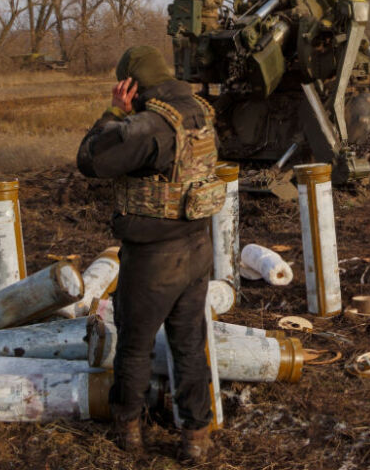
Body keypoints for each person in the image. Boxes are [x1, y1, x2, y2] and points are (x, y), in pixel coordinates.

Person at [76, 45, 225, 461]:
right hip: (198, 244)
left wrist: (114, 113)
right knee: (189, 342)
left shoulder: (147, 124)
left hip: (154, 255)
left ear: (132, 84)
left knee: (135, 345)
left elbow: (91, 161)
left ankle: (129, 430)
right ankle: (195, 435)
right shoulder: (199, 110)